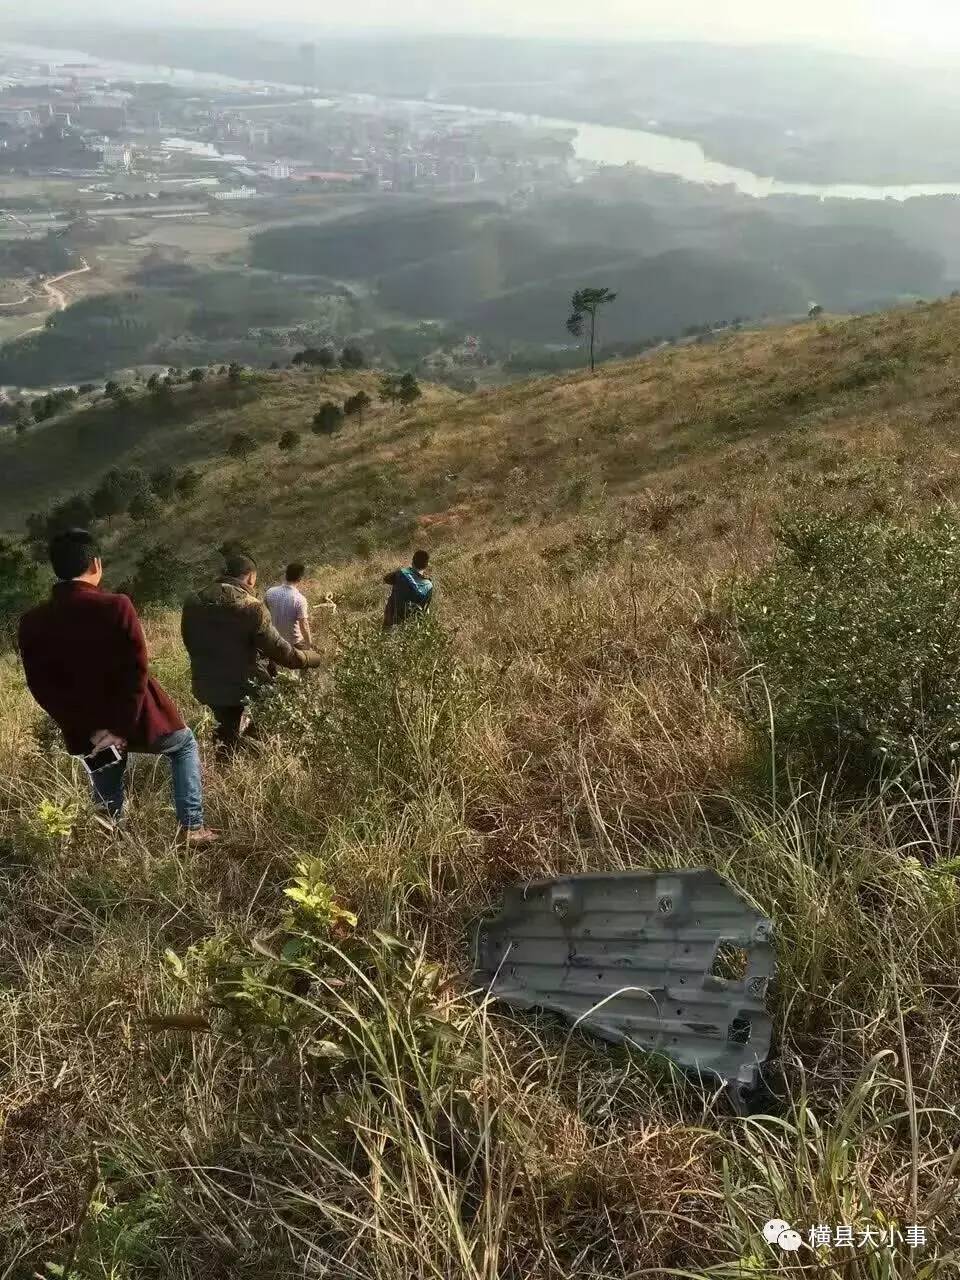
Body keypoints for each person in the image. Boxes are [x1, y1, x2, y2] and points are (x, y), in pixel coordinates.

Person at [17, 528, 216, 843]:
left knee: (106, 771)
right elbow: (136, 670)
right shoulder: (116, 606)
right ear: (96, 564)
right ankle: (192, 827)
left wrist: (90, 731)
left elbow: (41, 687)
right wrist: (120, 729)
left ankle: (111, 837)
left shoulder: (32, 621)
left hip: (89, 730)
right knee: (185, 746)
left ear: (56, 569)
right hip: (137, 716)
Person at [181, 549, 322, 752]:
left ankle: (228, 755)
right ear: (250, 577)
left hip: (204, 683)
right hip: (240, 685)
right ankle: (249, 748)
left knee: (226, 729)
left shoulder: (193, 601)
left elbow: (189, 641)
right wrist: (310, 658)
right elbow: (280, 651)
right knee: (275, 702)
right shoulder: (251, 607)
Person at [264, 561, 312, 650]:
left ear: (285, 575)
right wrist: (308, 644)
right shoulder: (299, 599)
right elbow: (304, 625)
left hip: (274, 639)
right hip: (294, 642)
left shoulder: (269, 592)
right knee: (315, 660)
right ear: (300, 579)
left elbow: (265, 614)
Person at [383, 549, 433, 629]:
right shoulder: (429, 585)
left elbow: (386, 579)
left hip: (391, 621)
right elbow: (426, 610)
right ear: (426, 565)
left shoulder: (402, 573)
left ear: (412, 562)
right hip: (411, 627)